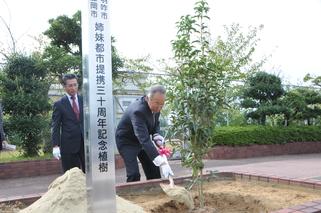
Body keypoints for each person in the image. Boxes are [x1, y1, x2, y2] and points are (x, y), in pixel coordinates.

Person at [115, 85, 174, 182]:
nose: (159, 107)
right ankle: (132, 195)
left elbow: (155, 124)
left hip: (142, 141)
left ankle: (154, 192)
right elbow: (144, 139)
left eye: (162, 105)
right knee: (134, 174)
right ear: (147, 98)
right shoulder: (138, 111)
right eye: (157, 103)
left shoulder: (156, 107)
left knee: (154, 169)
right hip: (127, 142)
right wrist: (162, 163)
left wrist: (156, 135)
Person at [51, 74, 85, 173]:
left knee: (88, 174)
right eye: (70, 85)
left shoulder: (84, 100)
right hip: (68, 145)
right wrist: (55, 146)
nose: (73, 88)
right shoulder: (59, 104)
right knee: (71, 175)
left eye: (75, 85)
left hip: (85, 144)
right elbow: (55, 126)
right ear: (65, 87)